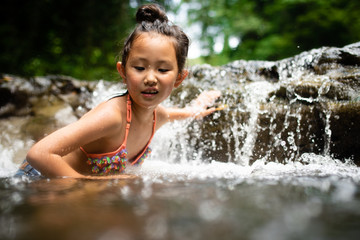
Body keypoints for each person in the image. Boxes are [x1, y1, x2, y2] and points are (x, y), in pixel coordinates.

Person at [15, 4, 220, 179]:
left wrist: (197, 108)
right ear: (123, 71)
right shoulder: (112, 116)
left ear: (179, 78)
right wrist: (92, 185)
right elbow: (39, 154)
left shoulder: (158, 116)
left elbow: (178, 113)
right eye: (139, 68)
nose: (150, 78)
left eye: (163, 70)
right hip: (38, 178)